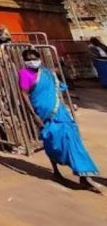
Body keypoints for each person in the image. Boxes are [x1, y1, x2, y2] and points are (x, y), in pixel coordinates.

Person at [18, 48, 101, 192]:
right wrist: (34, 115)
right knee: (51, 142)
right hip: (42, 114)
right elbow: (24, 95)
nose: (32, 61)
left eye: (34, 58)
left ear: (39, 59)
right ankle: (56, 170)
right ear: (25, 61)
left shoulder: (47, 73)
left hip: (60, 113)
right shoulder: (24, 74)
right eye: (28, 59)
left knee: (72, 140)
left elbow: (59, 88)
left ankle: (84, 175)